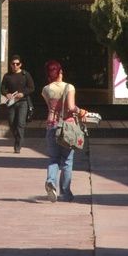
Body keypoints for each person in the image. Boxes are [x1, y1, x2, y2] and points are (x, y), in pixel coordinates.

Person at [41, 59, 86, 202]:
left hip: (51, 124)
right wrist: (81, 111)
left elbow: (51, 107)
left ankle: (51, 181)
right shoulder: (69, 87)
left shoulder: (46, 89)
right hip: (67, 126)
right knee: (67, 161)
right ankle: (66, 193)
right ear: (60, 72)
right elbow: (71, 107)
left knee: (53, 158)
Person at [0, 54, 35, 152]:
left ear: (20, 64)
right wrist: (6, 94)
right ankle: (17, 137)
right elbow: (2, 88)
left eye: (17, 64)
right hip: (12, 103)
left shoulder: (25, 74)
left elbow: (31, 88)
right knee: (11, 123)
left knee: (20, 124)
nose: (15, 65)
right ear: (10, 64)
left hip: (23, 102)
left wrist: (23, 93)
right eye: (13, 64)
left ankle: (18, 146)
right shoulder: (7, 76)